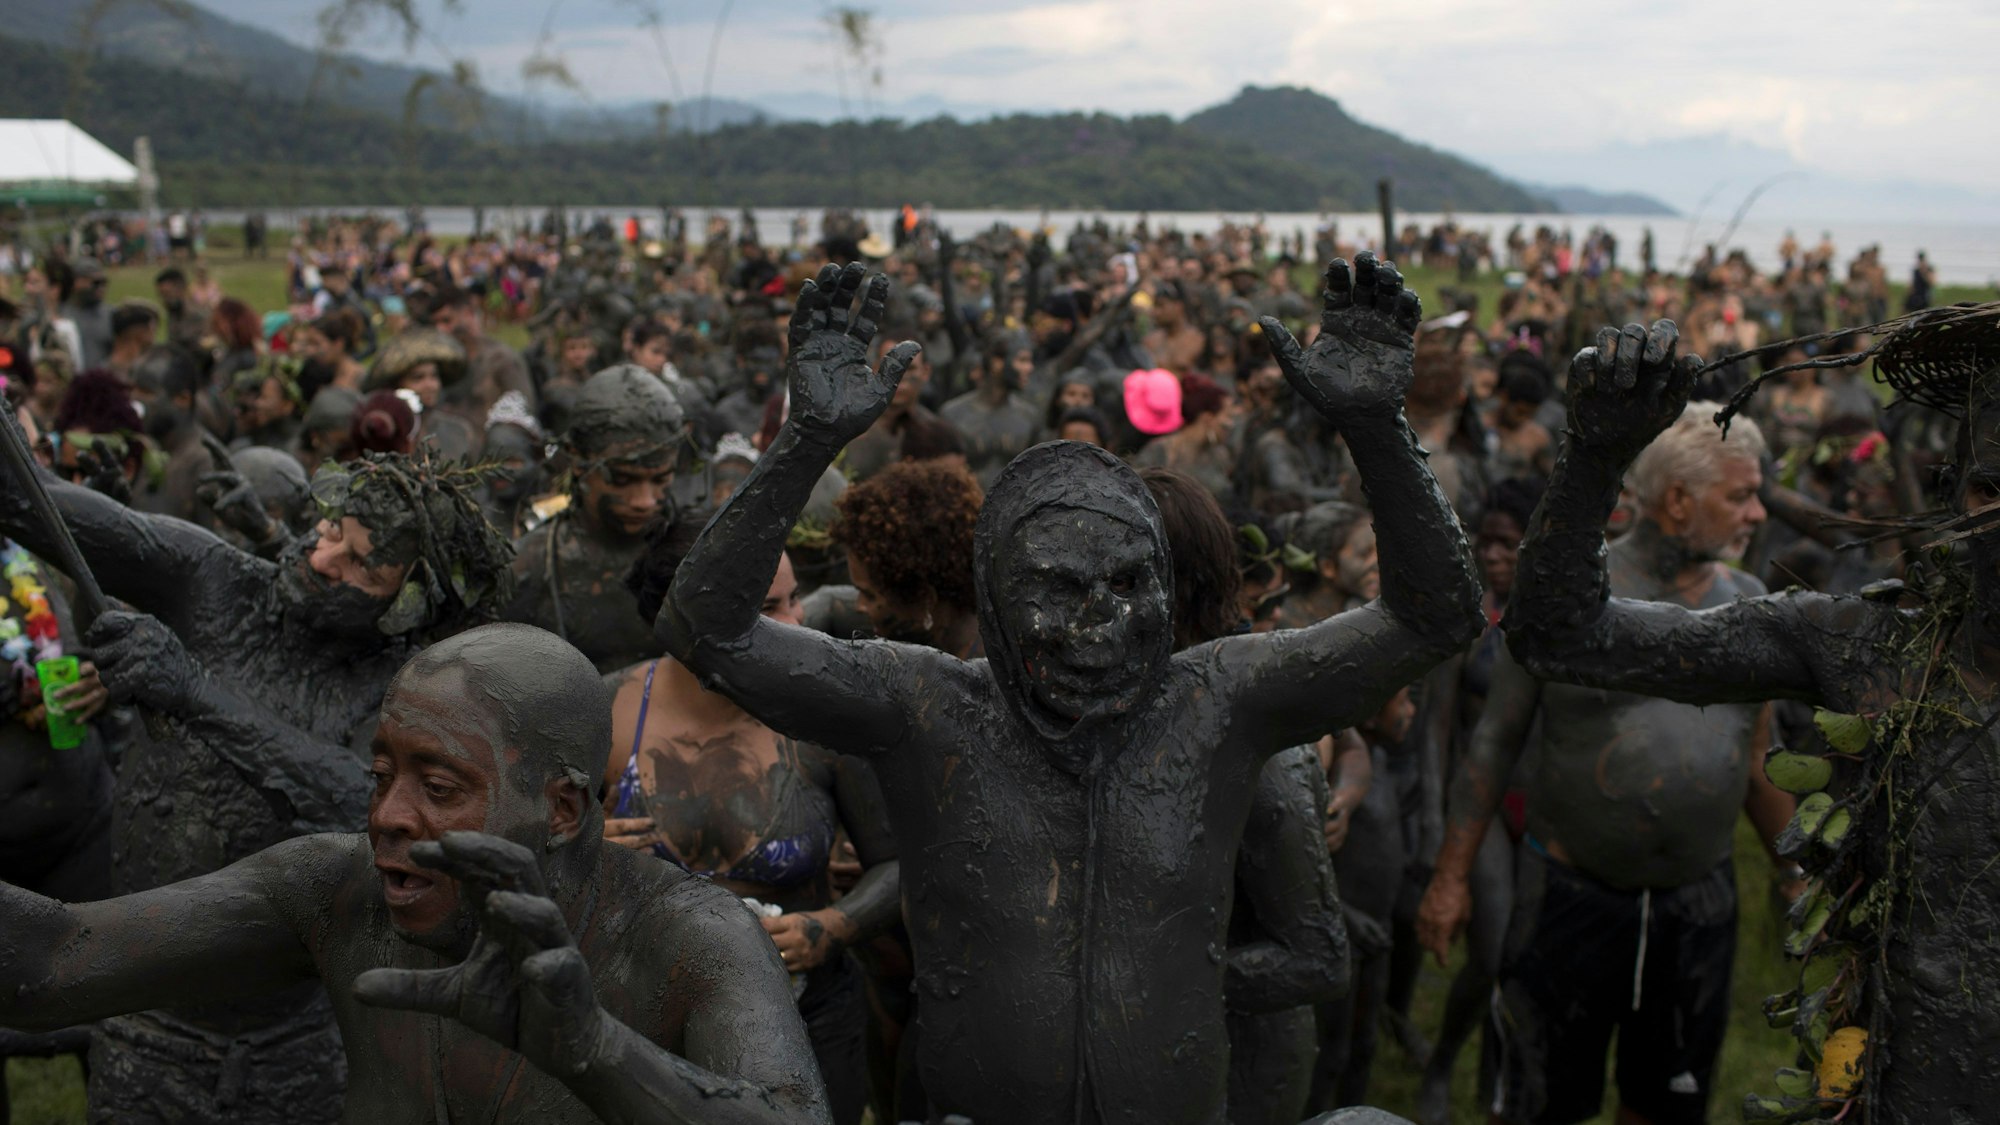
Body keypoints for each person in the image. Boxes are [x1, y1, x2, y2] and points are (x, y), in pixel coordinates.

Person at [660, 258, 1480, 1123]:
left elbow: (1434, 618)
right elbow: (705, 630)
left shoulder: (1218, 700)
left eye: (1130, 584)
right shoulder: (927, 707)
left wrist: (1376, 426)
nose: (1102, 625)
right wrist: (810, 436)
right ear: (999, 602)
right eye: (1059, 589)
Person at [0, 625, 831, 1125]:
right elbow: (51, 962)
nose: (389, 815)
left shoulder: (688, 941)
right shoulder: (338, 891)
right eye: (380, 775)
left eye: (439, 788)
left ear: (564, 810)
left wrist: (598, 1053)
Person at [1486, 317, 2000, 1124]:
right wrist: (1594, 455)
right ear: (1958, 486)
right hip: (1890, 1085)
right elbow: (1556, 633)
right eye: (1991, 491)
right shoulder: (1864, 643)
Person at [0, 446, 514, 1123]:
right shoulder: (214, 580)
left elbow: (368, 807)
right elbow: (31, 503)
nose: (323, 557)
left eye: (362, 563)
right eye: (331, 529)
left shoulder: (409, 685)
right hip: (141, 1027)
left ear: (408, 603)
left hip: (296, 1043)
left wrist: (194, 693)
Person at [1417, 393, 1796, 1125]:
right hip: (1568, 897)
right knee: (1536, 1100)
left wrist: (1796, 875)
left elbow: (1759, 758)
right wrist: (1451, 875)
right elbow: (1494, 738)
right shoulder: (1569, 595)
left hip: (1698, 908)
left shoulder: (1750, 605)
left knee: (1666, 1102)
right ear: (1679, 500)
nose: (1757, 515)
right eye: (1742, 495)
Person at [609, 524, 901, 1125]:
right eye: (770, 607)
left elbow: (902, 864)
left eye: (796, 599)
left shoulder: (826, 719)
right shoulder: (608, 711)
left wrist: (833, 926)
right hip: (648, 1023)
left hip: (810, 1023)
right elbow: (531, 858)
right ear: (692, 614)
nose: (798, 623)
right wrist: (584, 850)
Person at [1140, 466, 1351, 1125]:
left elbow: (1317, 956)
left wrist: (1143, 981)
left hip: (1243, 1057)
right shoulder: (1118, 709)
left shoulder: (1255, 737)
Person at [503, 364, 685, 673]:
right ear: (578, 460)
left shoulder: (696, 556)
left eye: (660, 480)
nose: (644, 501)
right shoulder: (530, 567)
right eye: (622, 479)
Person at [829, 459, 984, 656]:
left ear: (925, 598)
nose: (859, 606)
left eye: (869, 595)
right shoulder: (969, 632)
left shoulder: (987, 674)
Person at [939, 343, 1042, 489]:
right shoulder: (952, 414)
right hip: (966, 505)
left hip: (1014, 507)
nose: (1030, 368)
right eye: (1022, 360)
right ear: (997, 363)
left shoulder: (1029, 416)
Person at [1133, 373, 1236, 503]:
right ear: (1207, 418)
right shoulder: (1160, 451)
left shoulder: (1220, 456)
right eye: (1228, 416)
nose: (1231, 424)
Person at [231, 355, 306, 451]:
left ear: (287, 405)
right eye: (259, 396)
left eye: (265, 398)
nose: (258, 403)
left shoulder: (296, 446)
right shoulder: (254, 437)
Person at [154, 267, 210, 355]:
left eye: (167, 294)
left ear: (181, 288)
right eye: (161, 295)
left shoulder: (198, 315)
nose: (164, 300)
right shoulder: (174, 313)